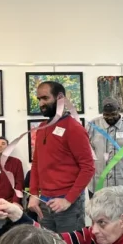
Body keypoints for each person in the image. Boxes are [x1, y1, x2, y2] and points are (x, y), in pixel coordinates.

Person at [29, 81, 95, 232]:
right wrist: (33, 194)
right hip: (44, 201)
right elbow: (36, 164)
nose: (41, 103)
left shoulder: (74, 128)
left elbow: (88, 168)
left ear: (60, 98)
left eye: (45, 98)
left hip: (68, 205)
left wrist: (68, 199)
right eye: (39, 99)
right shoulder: (41, 128)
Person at [86, 98, 123, 198]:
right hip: (97, 185)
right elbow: (84, 152)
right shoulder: (92, 126)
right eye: (106, 115)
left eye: (113, 114)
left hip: (122, 186)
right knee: (98, 213)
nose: (110, 118)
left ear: (119, 110)